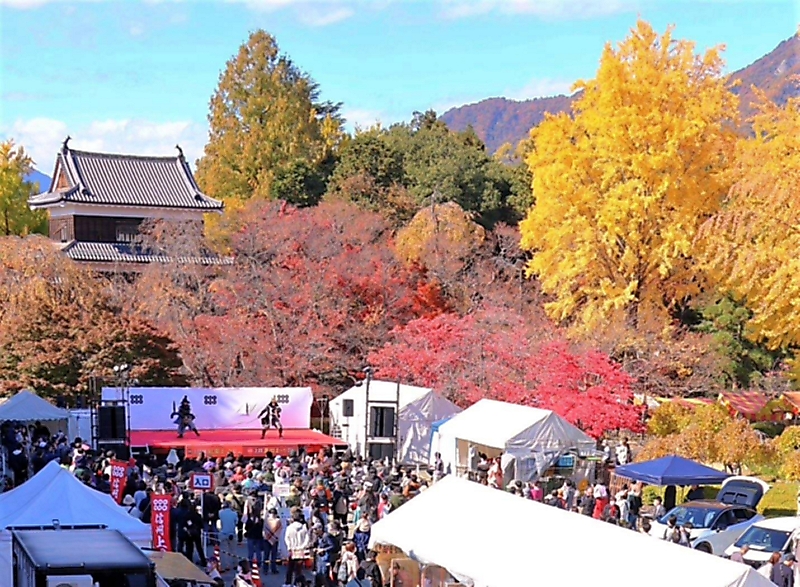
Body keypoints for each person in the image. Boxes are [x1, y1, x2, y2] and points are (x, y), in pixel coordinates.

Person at [284, 510, 309, 586]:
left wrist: (289, 546)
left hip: (292, 550)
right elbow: (307, 539)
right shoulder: (304, 528)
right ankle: (297, 583)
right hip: (301, 551)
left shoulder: (289, 528)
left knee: (290, 567)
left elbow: (286, 538)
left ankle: (288, 583)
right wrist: (302, 546)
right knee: (299, 569)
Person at [264, 507, 282, 575]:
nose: (272, 515)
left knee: (268, 555)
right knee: (272, 555)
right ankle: (272, 569)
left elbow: (265, 530)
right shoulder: (277, 521)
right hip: (274, 539)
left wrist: (268, 536)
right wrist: (276, 536)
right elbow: (279, 530)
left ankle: (266, 569)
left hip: (267, 539)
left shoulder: (267, 520)